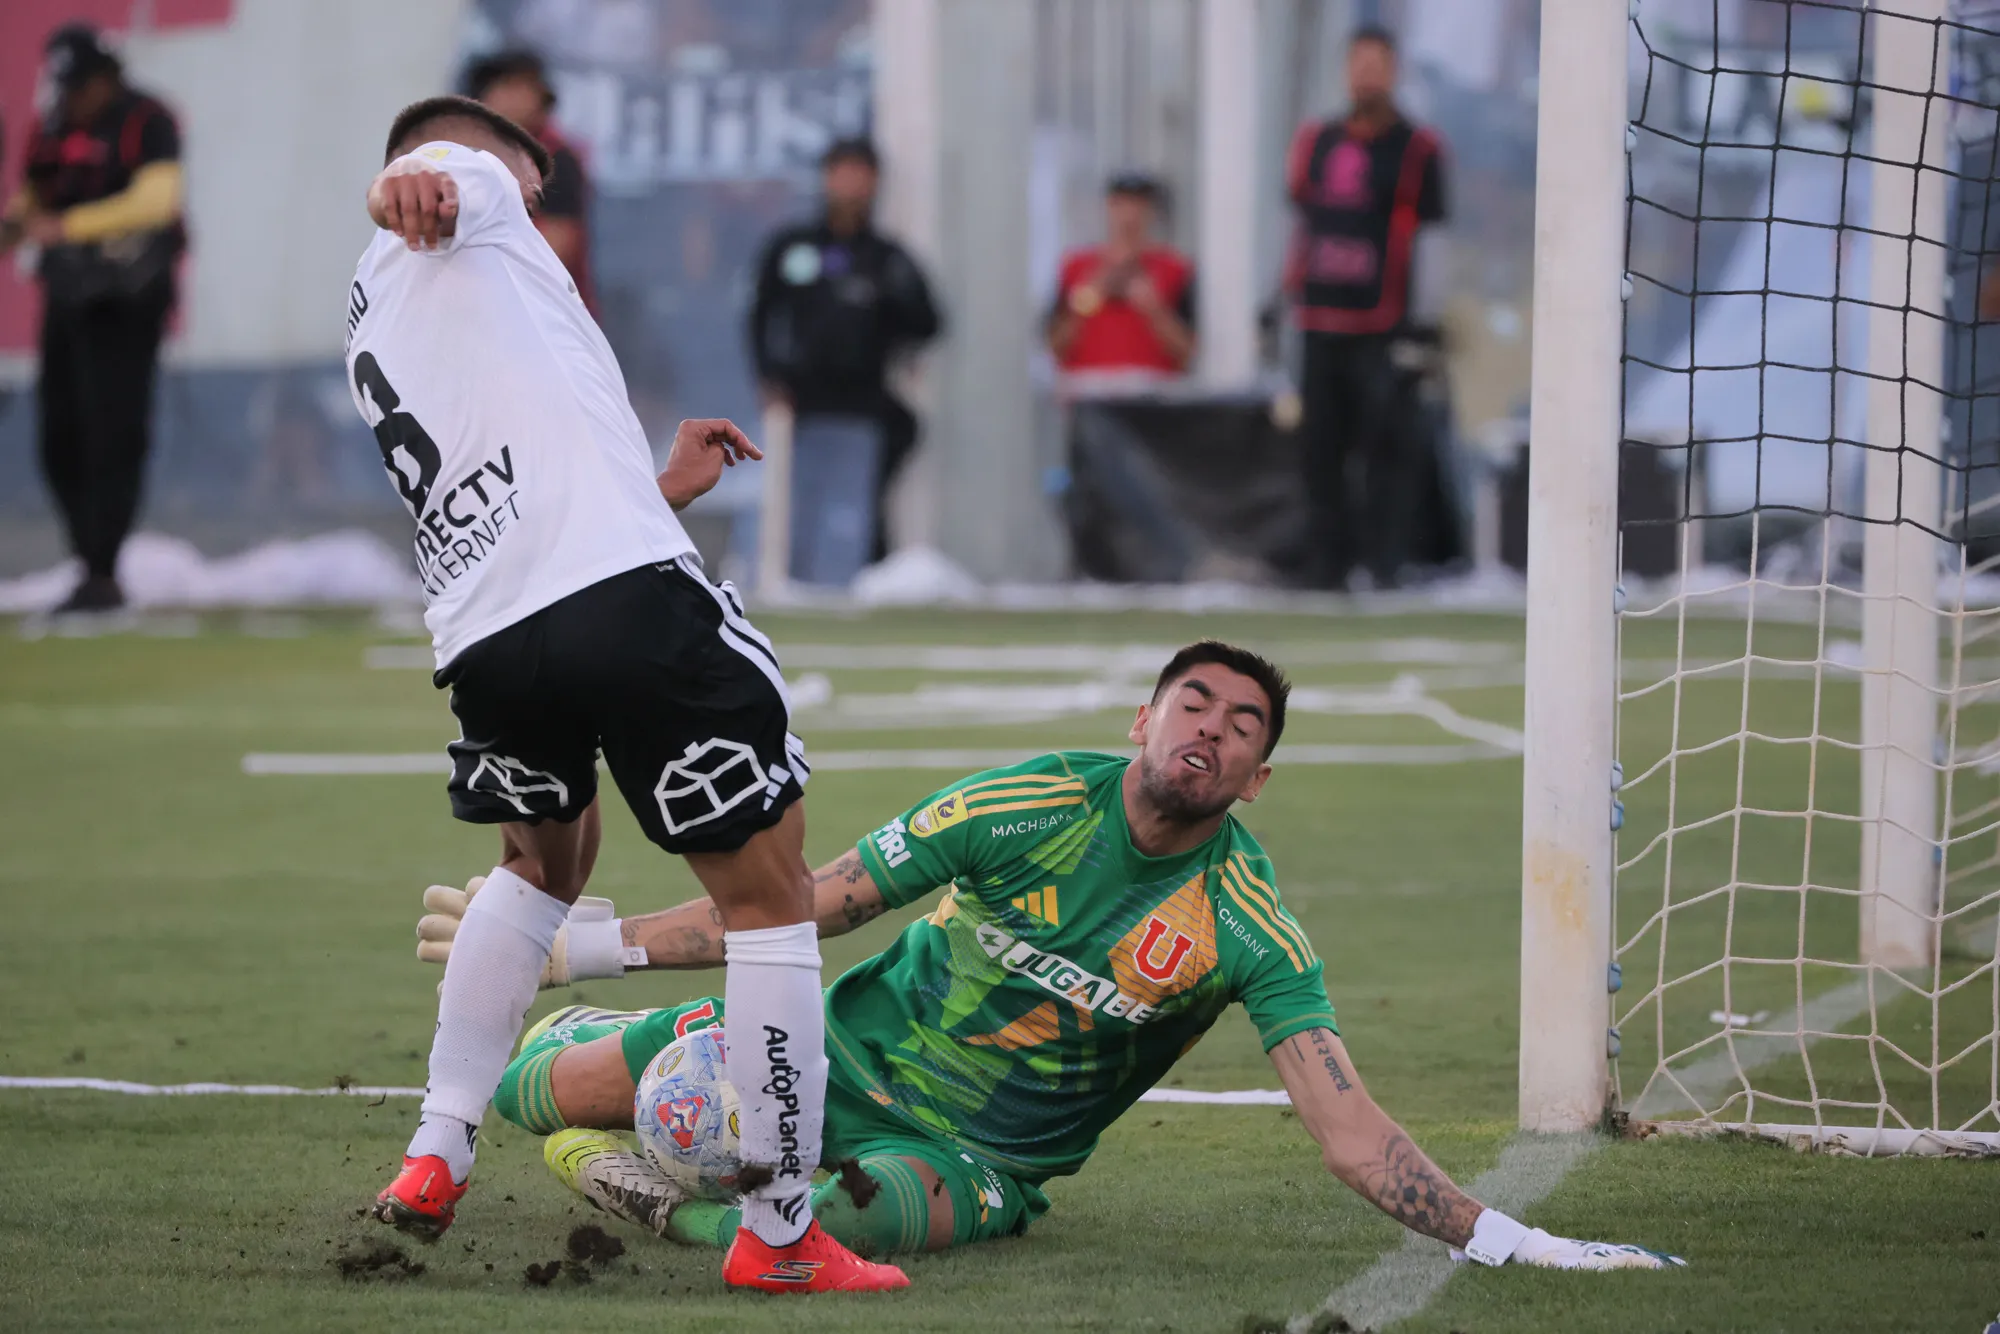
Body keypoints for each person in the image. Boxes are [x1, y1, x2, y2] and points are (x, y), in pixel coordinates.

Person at [416, 642, 1685, 1273]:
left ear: (1257, 776)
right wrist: (567, 947)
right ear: (1144, 719)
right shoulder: (1022, 800)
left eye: (1242, 725)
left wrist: (1521, 1243)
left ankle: (642, 1182)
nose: (1212, 728)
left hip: (977, 1156)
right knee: (536, 1089)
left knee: (866, 1223)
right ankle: (583, 1091)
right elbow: (809, 904)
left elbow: (1349, 1131)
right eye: (1193, 702)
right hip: (828, 1050)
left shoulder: (1245, 921)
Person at [345, 94, 905, 1294]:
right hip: (621, 600)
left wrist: (656, 489)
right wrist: (431, 179)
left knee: (542, 867)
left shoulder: (373, 304)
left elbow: (526, 463)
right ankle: (783, 1230)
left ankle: (436, 1150)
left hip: (489, 631)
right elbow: (432, 173)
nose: (540, 216)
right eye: (533, 190)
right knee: (770, 900)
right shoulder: (465, 190)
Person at [0, 25, 185, 615]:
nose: (74, 97)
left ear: (107, 77)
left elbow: (159, 201)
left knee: (114, 434)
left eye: (82, 85)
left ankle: (103, 570)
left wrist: (70, 227)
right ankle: (87, 561)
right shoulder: (51, 127)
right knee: (60, 435)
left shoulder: (145, 119)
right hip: (69, 296)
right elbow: (31, 204)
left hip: (127, 299)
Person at [1285, 25, 1448, 592]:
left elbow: (1430, 239)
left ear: (1393, 71)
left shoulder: (1418, 148)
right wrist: (1282, 297)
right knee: (1318, 453)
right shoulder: (1316, 140)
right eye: (1358, 64)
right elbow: (1302, 225)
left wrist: (1426, 326)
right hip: (1319, 319)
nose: (1366, 75)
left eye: (1377, 64)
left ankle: (1385, 566)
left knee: (1387, 450)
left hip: (1384, 323)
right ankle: (1324, 570)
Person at [749, 137, 941, 575]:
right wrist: (768, 375)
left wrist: (896, 333)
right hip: (801, 405)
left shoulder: (887, 259)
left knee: (851, 509)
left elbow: (928, 321)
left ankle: (855, 577)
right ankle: (788, 578)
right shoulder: (793, 247)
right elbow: (761, 313)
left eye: (860, 175)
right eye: (842, 173)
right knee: (796, 505)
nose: (850, 186)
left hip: (863, 404)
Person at [462, 48, 595, 309]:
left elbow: (555, 248)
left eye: (526, 88)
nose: (518, 98)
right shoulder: (466, 158)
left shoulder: (557, 158)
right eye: (507, 87)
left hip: (547, 313)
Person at [1046, 173, 1196, 376]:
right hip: (1089, 389)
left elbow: (1188, 352)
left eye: (1139, 205)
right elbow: (1054, 347)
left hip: (1152, 391)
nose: (1129, 215)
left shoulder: (1175, 269)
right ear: (1108, 207)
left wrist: (1154, 310)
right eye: (1121, 204)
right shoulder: (1075, 267)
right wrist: (1088, 299)